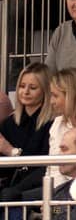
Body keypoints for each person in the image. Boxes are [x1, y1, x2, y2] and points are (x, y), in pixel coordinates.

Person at [0, 63, 52, 202]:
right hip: (9, 187)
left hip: (35, 190)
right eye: (22, 86)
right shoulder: (9, 123)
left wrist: (12, 152)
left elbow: (44, 168)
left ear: (46, 90)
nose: (25, 92)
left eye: (33, 88)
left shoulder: (52, 123)